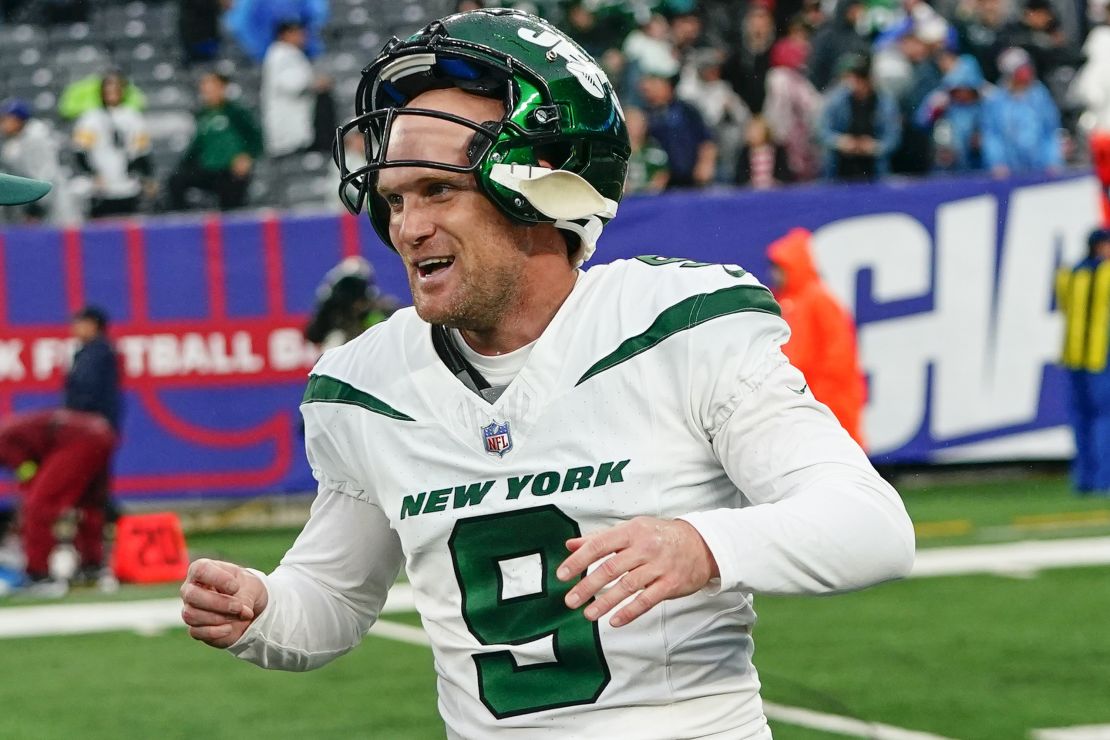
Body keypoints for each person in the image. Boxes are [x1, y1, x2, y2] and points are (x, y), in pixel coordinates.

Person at [180, 10, 915, 739]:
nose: (406, 227)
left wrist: (703, 546)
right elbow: (332, 599)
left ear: (539, 189)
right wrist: (264, 609)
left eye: (438, 191)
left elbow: (871, 527)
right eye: (395, 198)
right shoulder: (368, 384)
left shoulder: (674, 326)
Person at [766, 227, 867, 447]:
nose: (775, 274)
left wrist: (818, 395)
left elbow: (838, 357)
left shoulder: (818, 300)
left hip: (826, 400)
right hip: (800, 398)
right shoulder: (784, 301)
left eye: (780, 267)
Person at [0, 409, 117, 596]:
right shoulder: (12, 430)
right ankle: (92, 568)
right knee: (89, 505)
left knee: (37, 507)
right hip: (101, 433)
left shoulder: (4, 441)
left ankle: (38, 575)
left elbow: (29, 478)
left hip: (78, 440)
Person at [1056, 227, 1110, 496]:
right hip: (1101, 357)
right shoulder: (1105, 273)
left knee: (1083, 420)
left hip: (1074, 355)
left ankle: (1085, 480)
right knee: (1102, 419)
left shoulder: (1070, 273)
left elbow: (1064, 305)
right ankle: (1101, 480)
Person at [166, 72, 263, 212]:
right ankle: (183, 219)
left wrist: (247, 156)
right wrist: (183, 165)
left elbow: (255, 137)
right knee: (177, 180)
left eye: (212, 86)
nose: (208, 90)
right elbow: (197, 146)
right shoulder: (203, 115)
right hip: (208, 169)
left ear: (222, 88)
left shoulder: (235, 112)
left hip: (230, 170)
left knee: (231, 201)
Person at [72, 72, 155, 218]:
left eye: (116, 88)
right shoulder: (90, 118)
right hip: (101, 183)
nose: (112, 93)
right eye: (108, 89)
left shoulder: (133, 116)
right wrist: (92, 173)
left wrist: (146, 176)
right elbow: (80, 151)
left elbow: (142, 151)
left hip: (128, 182)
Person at [818, 53, 902, 181]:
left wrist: (874, 146)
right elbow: (822, 131)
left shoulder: (885, 102)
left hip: (874, 170)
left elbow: (892, 137)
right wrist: (841, 142)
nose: (855, 83)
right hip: (839, 169)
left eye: (860, 78)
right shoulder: (835, 100)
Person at [980, 47, 1062, 177]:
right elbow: (992, 135)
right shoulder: (996, 100)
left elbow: (1051, 131)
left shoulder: (1040, 95)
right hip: (1008, 169)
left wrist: (1053, 161)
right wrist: (997, 163)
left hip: (1041, 167)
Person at [261, 20, 334, 157]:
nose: (303, 36)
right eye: (298, 33)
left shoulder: (290, 53)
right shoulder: (281, 53)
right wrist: (316, 82)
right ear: (285, 34)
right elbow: (291, 84)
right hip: (288, 120)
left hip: (297, 116)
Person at [0, 99, 77, 224]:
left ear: (18, 120)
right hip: (31, 200)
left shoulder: (36, 138)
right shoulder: (15, 141)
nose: (3, 124)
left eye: (6, 119)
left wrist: (36, 208)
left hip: (50, 201)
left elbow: (46, 174)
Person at [303, 257, 399, 351]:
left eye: (357, 288)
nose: (352, 293)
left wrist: (364, 312)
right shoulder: (335, 313)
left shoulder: (381, 307)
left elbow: (389, 333)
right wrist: (328, 307)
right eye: (346, 288)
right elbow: (313, 336)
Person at [66, 306, 122, 432]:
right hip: (94, 422)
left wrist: (74, 417)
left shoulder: (96, 353)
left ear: (92, 325)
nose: (74, 328)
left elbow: (86, 386)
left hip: (90, 423)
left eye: (79, 323)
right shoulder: (88, 352)